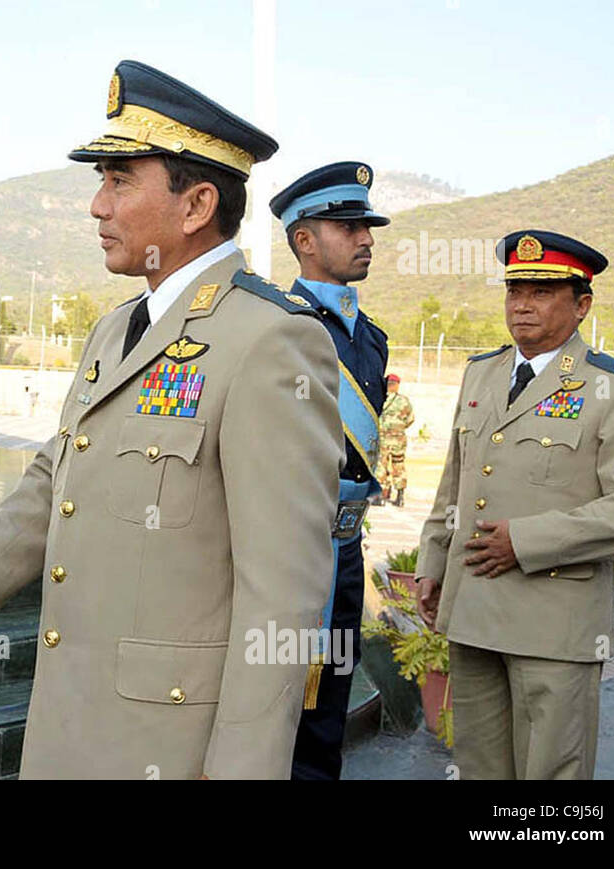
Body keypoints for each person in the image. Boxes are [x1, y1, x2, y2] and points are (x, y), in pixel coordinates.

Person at [0, 60, 343, 779]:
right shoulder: (116, 329)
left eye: (120, 180)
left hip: (168, 751)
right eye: (101, 181)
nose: (97, 205)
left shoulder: (270, 340)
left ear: (196, 203)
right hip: (68, 732)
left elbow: (283, 599)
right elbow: (54, 482)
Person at [416, 230, 614, 779]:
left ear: (582, 305)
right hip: (473, 610)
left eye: (543, 292)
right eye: (515, 290)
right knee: (480, 767)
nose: (522, 304)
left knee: (551, 778)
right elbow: (454, 481)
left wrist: (524, 542)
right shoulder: (483, 372)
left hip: (553, 622)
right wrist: (432, 564)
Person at [269, 161, 390, 780]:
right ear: (305, 240)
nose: (366, 237)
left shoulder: (372, 338)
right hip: (283, 550)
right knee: (274, 706)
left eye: (367, 225)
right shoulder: (273, 324)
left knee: (328, 711)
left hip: (344, 550)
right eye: (348, 226)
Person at [375, 373, 414, 506]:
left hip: (383, 438)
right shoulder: (404, 401)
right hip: (398, 439)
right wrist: (399, 428)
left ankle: (380, 496)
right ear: (397, 385)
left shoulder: (381, 399)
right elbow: (410, 419)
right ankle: (400, 496)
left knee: (381, 464)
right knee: (399, 466)